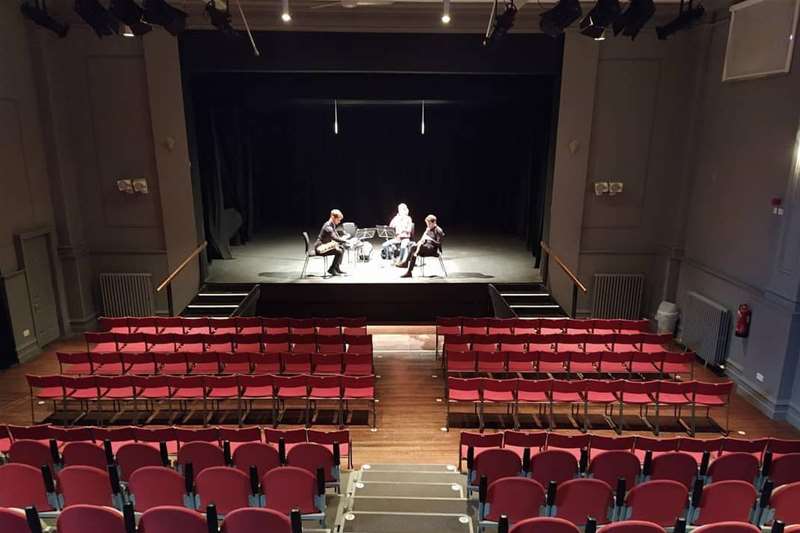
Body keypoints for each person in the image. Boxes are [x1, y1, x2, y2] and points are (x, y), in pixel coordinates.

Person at [314, 208, 348, 277]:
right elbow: (334, 238)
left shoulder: (332, 225)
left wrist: (344, 237)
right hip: (320, 247)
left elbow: (336, 235)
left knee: (342, 248)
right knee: (339, 251)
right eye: (338, 219)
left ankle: (336, 267)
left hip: (325, 245)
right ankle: (331, 269)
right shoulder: (328, 226)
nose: (339, 222)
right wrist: (346, 241)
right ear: (333, 217)